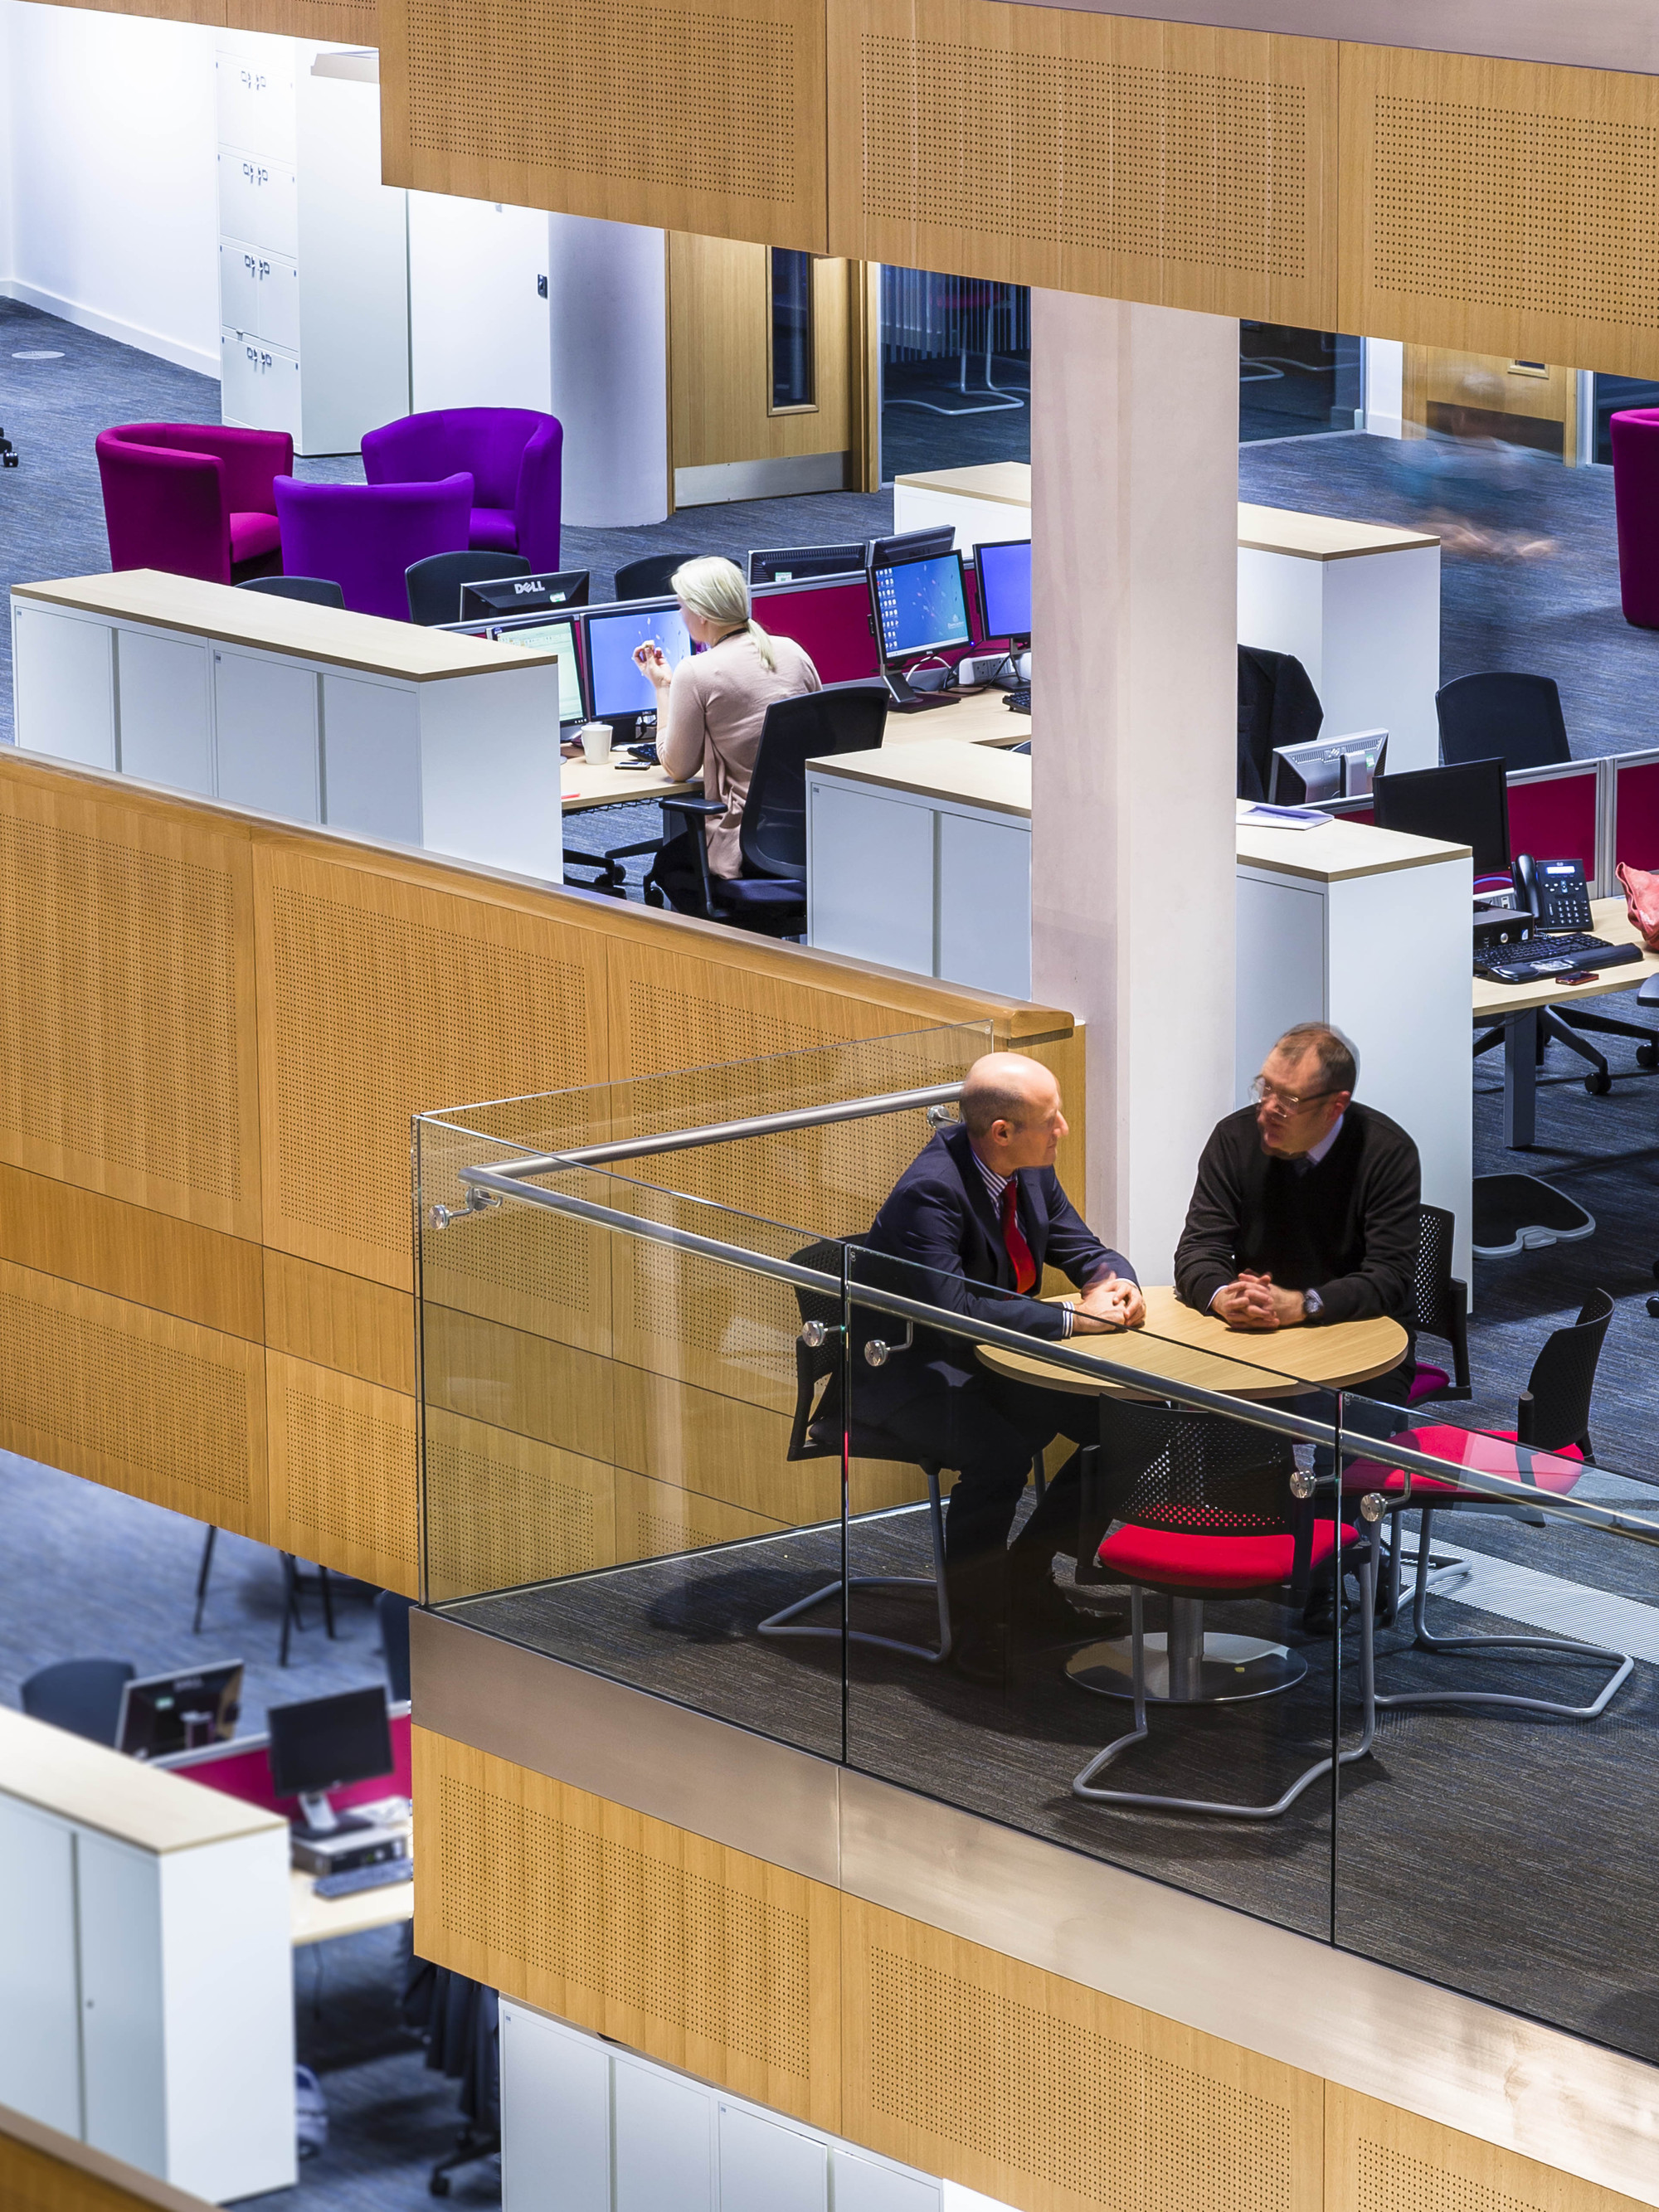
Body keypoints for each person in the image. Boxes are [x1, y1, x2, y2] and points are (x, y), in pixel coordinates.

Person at [857, 1052, 1145, 1680]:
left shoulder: (1030, 1171)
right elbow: (953, 1311)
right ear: (1002, 1131)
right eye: (1052, 1119)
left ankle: (1027, 1572)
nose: (1063, 1128)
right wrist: (1075, 1321)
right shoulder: (930, 1191)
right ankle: (974, 1624)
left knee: (1130, 1418)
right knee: (999, 1453)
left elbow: (1085, 1248)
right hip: (912, 1371)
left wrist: (1115, 1282)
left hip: (994, 1362)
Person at [1174, 1022, 1419, 1395]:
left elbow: (1390, 1279)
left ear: (1335, 1106)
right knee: (1201, 1425)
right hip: (1253, 1342)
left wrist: (1305, 1305)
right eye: (1265, 1087)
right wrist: (1225, 1296)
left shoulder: (1387, 1153)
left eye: (1288, 1100)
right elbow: (1198, 1248)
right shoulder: (1234, 1139)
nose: (1267, 1109)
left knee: (1346, 1440)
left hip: (1358, 1344)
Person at [631, 556, 820, 912]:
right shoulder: (793, 651)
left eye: (682, 606)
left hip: (748, 844)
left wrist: (662, 688)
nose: (681, 615)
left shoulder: (697, 671)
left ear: (702, 614)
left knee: (667, 866)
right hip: (808, 833)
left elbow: (676, 766)